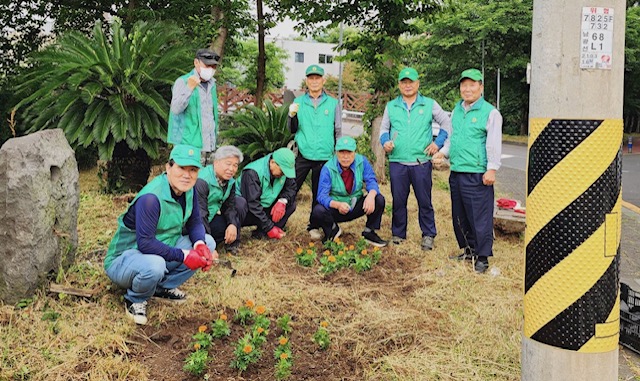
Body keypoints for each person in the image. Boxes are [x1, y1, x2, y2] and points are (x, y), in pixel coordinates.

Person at [104, 145, 218, 325]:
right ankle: (135, 299)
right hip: (125, 260)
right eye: (181, 168)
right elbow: (145, 244)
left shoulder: (189, 190)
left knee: (208, 243)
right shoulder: (151, 198)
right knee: (155, 265)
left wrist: (199, 245)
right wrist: (185, 255)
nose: (187, 175)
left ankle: (161, 288)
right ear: (168, 168)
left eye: (193, 170)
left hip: (161, 247)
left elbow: (195, 221)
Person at [432, 68, 503, 274]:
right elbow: (452, 139)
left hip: (478, 173)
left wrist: (491, 169)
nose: (468, 89)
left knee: (479, 216)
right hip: (457, 171)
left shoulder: (490, 113)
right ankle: (469, 250)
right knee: (460, 215)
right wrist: (443, 154)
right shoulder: (457, 110)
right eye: (464, 85)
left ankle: (482, 257)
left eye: (472, 85)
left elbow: (493, 144)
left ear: (481, 87)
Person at [379, 67, 451, 251]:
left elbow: (446, 123)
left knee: (424, 200)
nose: (408, 85)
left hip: (421, 162)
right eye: (404, 82)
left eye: (411, 82)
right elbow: (383, 130)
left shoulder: (429, 104)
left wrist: (438, 143)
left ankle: (428, 234)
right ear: (399, 85)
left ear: (418, 84)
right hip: (398, 162)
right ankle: (398, 233)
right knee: (398, 200)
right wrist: (385, 142)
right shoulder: (391, 106)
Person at [288, 64, 342, 240]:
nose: (314, 81)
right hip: (303, 154)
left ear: (323, 80)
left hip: (325, 156)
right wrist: (291, 116)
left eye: (317, 78)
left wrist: (338, 153)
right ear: (306, 81)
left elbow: (338, 130)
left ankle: (314, 226)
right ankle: (277, 222)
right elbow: (291, 129)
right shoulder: (298, 102)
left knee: (320, 194)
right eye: (311, 78)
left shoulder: (333, 103)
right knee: (290, 188)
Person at [312, 136, 388, 247]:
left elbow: (371, 180)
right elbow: (322, 195)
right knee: (318, 210)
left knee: (378, 199)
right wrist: (337, 205)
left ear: (354, 153)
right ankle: (333, 229)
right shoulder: (328, 167)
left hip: (355, 204)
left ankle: (369, 232)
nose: (345, 157)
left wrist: (371, 195)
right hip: (337, 208)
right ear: (336, 153)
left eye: (349, 152)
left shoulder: (362, 161)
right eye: (342, 152)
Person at [168, 48, 220, 165]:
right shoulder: (182, 81)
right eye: (207, 66)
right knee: (189, 181)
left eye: (213, 67)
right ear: (196, 63)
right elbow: (175, 109)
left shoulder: (212, 84)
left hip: (210, 146)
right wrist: (189, 88)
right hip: (189, 145)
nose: (210, 69)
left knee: (205, 181)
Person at [194, 145, 247, 255]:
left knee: (240, 203)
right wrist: (208, 245)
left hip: (212, 216)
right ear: (216, 162)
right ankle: (203, 243)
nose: (231, 169)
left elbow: (230, 206)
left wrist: (232, 224)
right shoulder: (202, 181)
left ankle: (232, 244)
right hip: (196, 222)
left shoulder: (230, 181)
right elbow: (200, 214)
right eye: (228, 164)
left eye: (235, 165)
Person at [236, 147, 297, 240]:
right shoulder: (252, 172)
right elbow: (252, 204)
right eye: (282, 171)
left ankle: (262, 232)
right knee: (240, 205)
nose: (283, 174)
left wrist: (282, 201)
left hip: (263, 207)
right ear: (272, 162)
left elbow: (291, 188)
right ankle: (267, 229)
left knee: (291, 205)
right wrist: (269, 227)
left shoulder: (282, 172)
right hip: (246, 211)